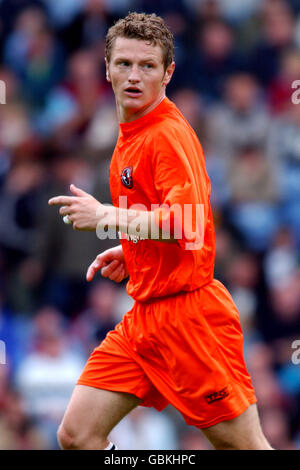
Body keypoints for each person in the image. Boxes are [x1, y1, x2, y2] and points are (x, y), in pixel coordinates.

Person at [48, 12, 273, 450]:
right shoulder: (129, 134)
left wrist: (106, 216)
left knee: (245, 447)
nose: (134, 76)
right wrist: (132, 252)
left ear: (168, 73)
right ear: (107, 67)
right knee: (77, 435)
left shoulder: (165, 134)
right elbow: (162, 220)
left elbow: (186, 223)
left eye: (147, 66)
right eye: (125, 64)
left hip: (190, 320)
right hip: (144, 317)